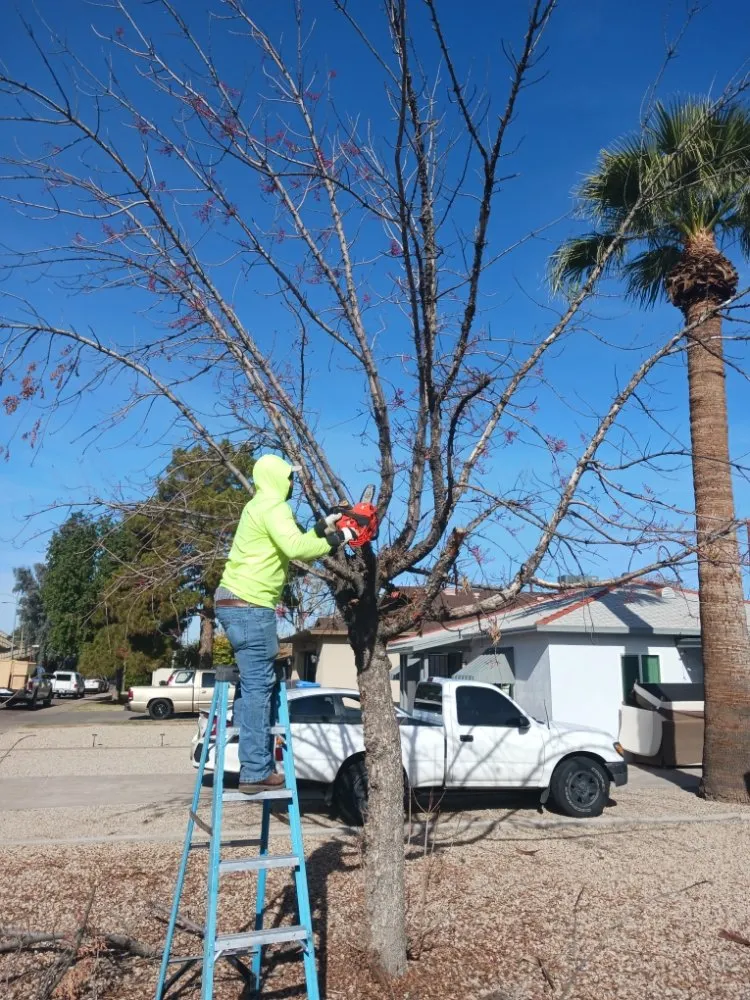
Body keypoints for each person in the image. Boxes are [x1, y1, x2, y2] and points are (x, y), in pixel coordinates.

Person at [215, 454, 353, 794]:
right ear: (278, 478)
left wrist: (322, 528)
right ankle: (255, 770)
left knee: (253, 682)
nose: (293, 483)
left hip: (233, 600)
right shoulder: (276, 506)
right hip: (251, 605)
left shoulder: (257, 505)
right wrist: (342, 536)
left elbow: (295, 540)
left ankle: (249, 754)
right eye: (290, 477)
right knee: (260, 685)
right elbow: (296, 548)